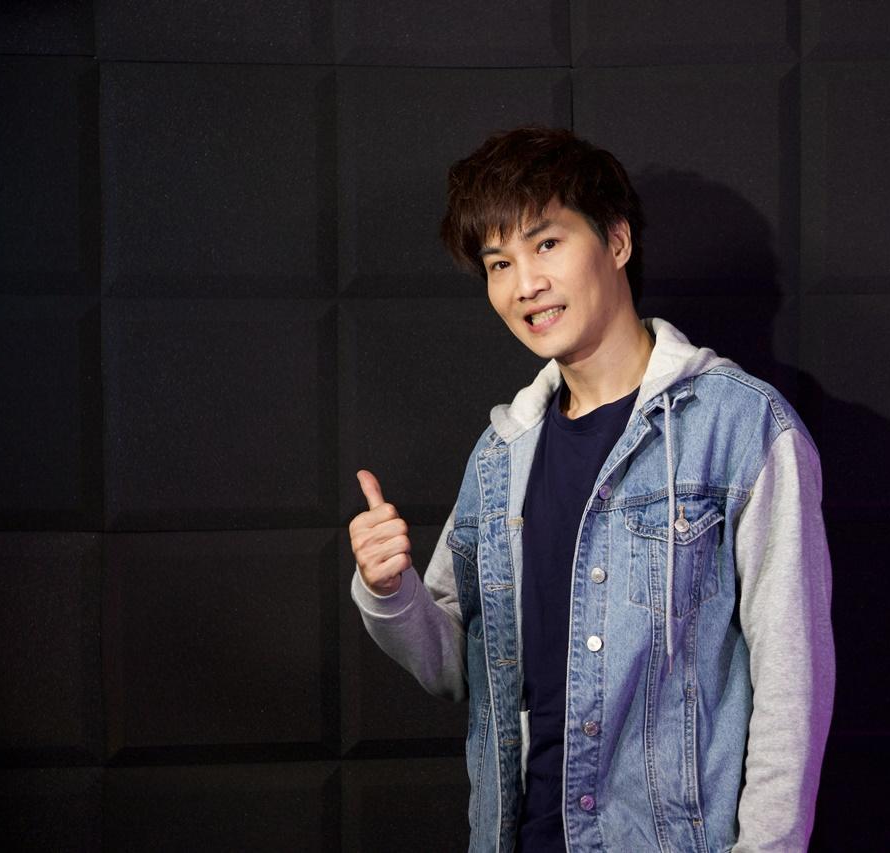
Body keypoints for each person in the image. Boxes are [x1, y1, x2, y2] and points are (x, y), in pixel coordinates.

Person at [348, 125, 834, 852]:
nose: (525, 285)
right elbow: (454, 665)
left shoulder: (741, 426)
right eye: (499, 263)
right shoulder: (501, 453)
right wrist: (388, 591)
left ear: (616, 241)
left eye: (546, 244)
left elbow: (793, 681)